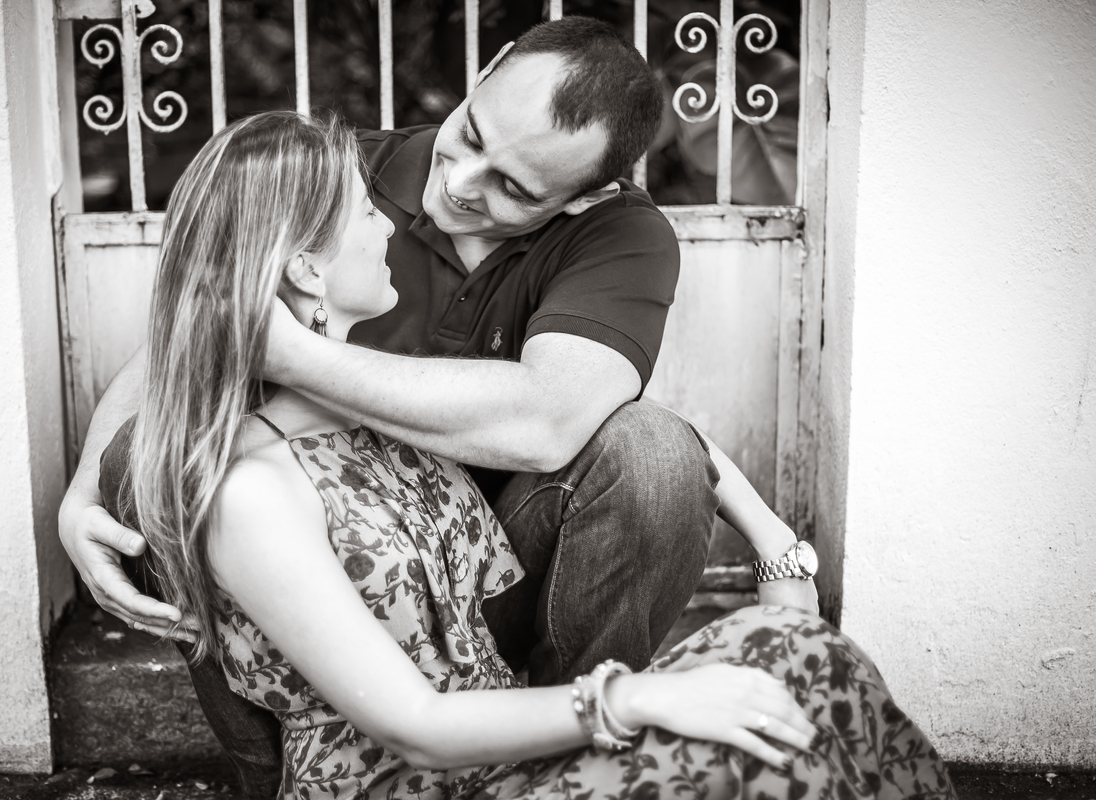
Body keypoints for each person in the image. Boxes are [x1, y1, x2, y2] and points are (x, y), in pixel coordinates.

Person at [106, 108, 956, 800]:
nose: (388, 224)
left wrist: (775, 545)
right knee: (768, 742)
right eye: (366, 212)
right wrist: (637, 695)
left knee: (808, 657)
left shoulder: (369, 407)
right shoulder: (254, 489)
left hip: (503, 746)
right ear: (305, 268)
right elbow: (413, 729)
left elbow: (611, 417)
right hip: (413, 781)